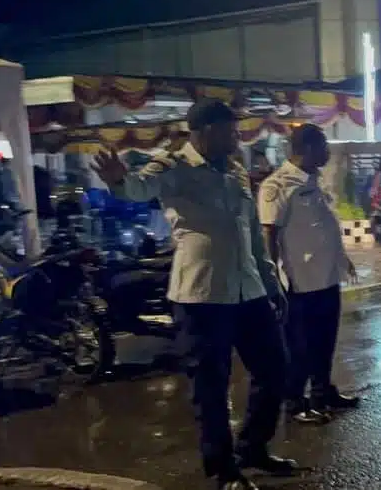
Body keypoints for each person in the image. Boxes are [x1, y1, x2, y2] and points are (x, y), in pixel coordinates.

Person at [91, 100, 295, 490]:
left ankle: (253, 448)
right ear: (206, 130)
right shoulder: (173, 167)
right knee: (211, 388)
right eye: (231, 130)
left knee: (275, 370)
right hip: (202, 296)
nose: (237, 137)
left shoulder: (235, 172)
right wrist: (118, 181)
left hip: (249, 291)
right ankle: (223, 471)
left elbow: (253, 237)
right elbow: (139, 187)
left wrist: (272, 284)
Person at [258, 124, 360, 426]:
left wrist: (343, 259)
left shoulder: (314, 180)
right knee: (300, 346)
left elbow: (323, 227)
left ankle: (322, 393)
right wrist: (273, 279)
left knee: (325, 342)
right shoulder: (277, 185)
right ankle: (294, 401)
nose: (328, 152)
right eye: (324, 147)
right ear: (308, 148)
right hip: (300, 282)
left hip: (326, 277)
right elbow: (269, 234)